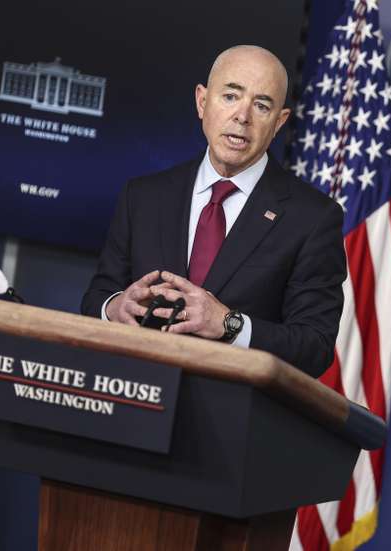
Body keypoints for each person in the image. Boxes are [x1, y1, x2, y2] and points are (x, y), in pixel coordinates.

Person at [81, 45, 346, 377]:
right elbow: (96, 300)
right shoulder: (144, 196)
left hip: (232, 417)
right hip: (136, 399)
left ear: (279, 122)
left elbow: (315, 346)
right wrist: (116, 307)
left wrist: (229, 324)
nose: (242, 116)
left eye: (261, 105)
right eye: (231, 97)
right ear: (202, 102)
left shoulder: (313, 218)